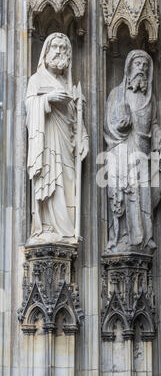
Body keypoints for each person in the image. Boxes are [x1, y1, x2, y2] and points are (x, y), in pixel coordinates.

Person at [104, 50, 161, 254]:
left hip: (142, 152)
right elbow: (108, 126)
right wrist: (120, 127)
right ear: (129, 68)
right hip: (122, 151)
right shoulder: (117, 94)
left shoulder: (150, 99)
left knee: (143, 195)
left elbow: (154, 125)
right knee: (124, 193)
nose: (141, 68)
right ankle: (123, 236)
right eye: (138, 64)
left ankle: (144, 237)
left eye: (145, 66)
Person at [26, 33, 89, 245]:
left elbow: (76, 122)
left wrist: (84, 138)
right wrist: (47, 100)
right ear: (46, 52)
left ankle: (66, 231)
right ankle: (47, 227)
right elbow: (29, 109)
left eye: (64, 49)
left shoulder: (71, 87)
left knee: (67, 184)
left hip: (65, 147)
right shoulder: (37, 80)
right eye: (55, 48)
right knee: (50, 183)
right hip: (46, 144)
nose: (59, 52)